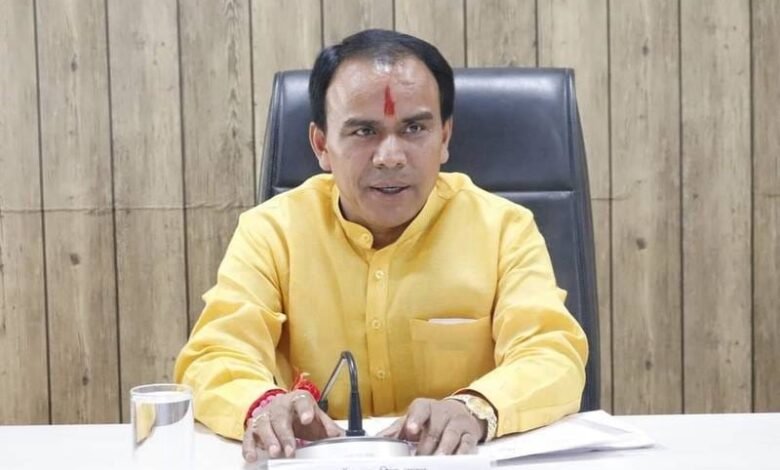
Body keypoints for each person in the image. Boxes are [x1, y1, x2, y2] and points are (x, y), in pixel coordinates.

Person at [174, 29, 588, 461]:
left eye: (414, 128)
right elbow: (213, 355)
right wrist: (262, 405)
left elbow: (551, 355)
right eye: (364, 131)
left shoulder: (504, 229)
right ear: (322, 145)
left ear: (444, 138)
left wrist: (474, 407)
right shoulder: (272, 231)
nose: (390, 156)